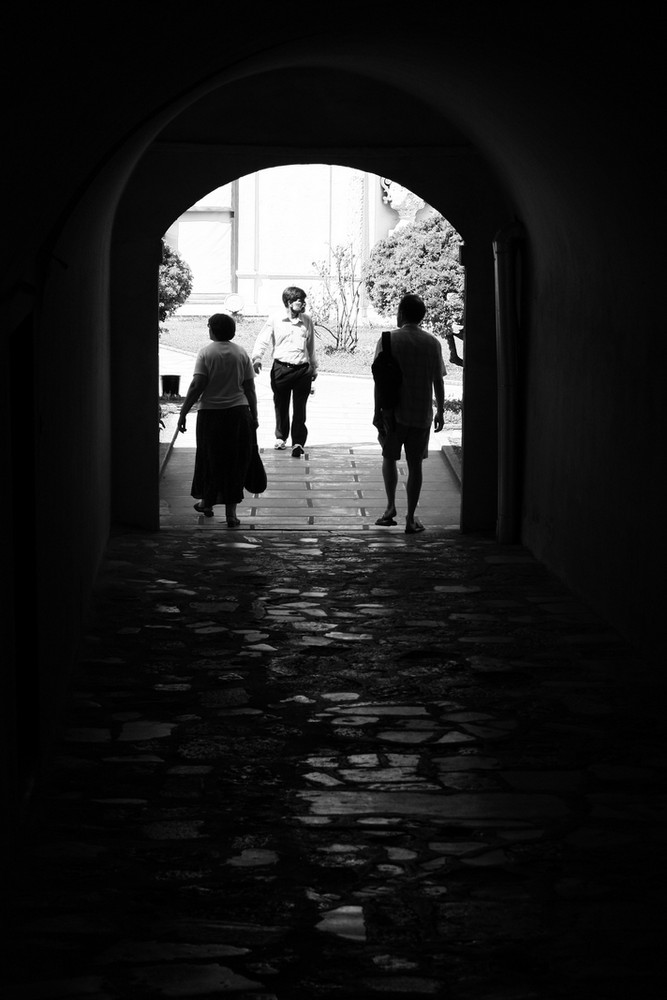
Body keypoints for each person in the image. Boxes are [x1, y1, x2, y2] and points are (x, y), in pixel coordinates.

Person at [373, 293, 446, 534]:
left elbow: (379, 381)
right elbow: (438, 380)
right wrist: (441, 410)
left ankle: (390, 508)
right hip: (421, 413)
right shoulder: (432, 343)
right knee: (416, 466)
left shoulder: (387, 340)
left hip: (392, 414)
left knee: (389, 458)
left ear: (402, 313)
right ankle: (411, 518)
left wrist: (378, 412)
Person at [177, 312, 258, 527]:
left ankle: (207, 503)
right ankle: (231, 515)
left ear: (212, 329)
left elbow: (197, 385)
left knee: (209, 459)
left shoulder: (206, 353)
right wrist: (255, 416)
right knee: (234, 462)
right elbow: (250, 388)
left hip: (210, 414)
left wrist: (183, 412)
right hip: (239, 414)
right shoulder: (241, 353)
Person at [251, 285, 318, 458]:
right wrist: (257, 358)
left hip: (302, 370)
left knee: (300, 408)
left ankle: (298, 442)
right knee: (281, 405)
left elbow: (311, 346)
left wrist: (314, 367)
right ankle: (281, 438)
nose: (302, 303)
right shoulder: (275, 319)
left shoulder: (307, 321)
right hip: (281, 368)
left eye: (303, 300)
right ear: (289, 302)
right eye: (298, 301)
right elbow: (263, 339)